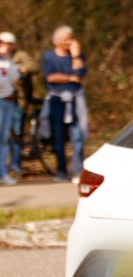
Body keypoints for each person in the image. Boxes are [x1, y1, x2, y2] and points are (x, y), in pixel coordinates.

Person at [43, 25, 88, 183]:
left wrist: (76, 57)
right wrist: (69, 78)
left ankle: (78, 170)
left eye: (71, 39)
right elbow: (51, 77)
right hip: (57, 100)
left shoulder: (78, 54)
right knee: (58, 137)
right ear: (57, 41)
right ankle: (61, 170)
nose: (70, 42)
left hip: (76, 99)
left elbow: (80, 74)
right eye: (67, 40)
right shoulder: (49, 57)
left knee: (78, 135)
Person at [0, 33, 20, 185]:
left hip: (8, 102)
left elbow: (15, 79)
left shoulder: (8, 62)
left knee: (4, 140)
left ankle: (3, 172)